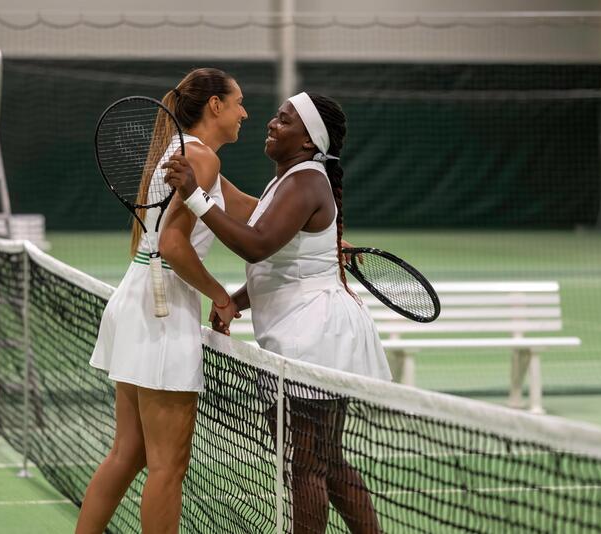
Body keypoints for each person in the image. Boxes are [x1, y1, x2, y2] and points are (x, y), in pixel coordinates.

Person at [163, 92, 390, 534]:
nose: (270, 123)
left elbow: (257, 244)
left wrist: (196, 198)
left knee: (305, 466)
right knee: (325, 460)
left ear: (308, 141)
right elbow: (278, 268)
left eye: (284, 121)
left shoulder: (305, 181)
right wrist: (234, 302)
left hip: (318, 338)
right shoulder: (289, 178)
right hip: (308, 333)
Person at [77, 67, 249, 534]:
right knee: (167, 468)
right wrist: (221, 297)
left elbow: (255, 211)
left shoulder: (183, 154)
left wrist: (326, 230)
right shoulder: (202, 160)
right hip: (163, 309)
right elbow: (174, 246)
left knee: (127, 454)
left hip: (135, 300)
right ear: (215, 105)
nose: (244, 113)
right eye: (237, 103)